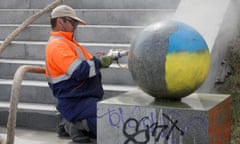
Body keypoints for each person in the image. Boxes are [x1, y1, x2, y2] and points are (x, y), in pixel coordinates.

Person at [45, 4, 113, 143]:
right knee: (109, 122)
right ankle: (73, 125)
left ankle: (75, 125)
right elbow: (78, 71)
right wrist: (99, 63)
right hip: (75, 101)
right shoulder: (58, 45)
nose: (75, 26)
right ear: (60, 21)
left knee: (105, 122)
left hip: (82, 98)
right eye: (73, 22)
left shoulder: (68, 43)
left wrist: (98, 61)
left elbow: (84, 65)